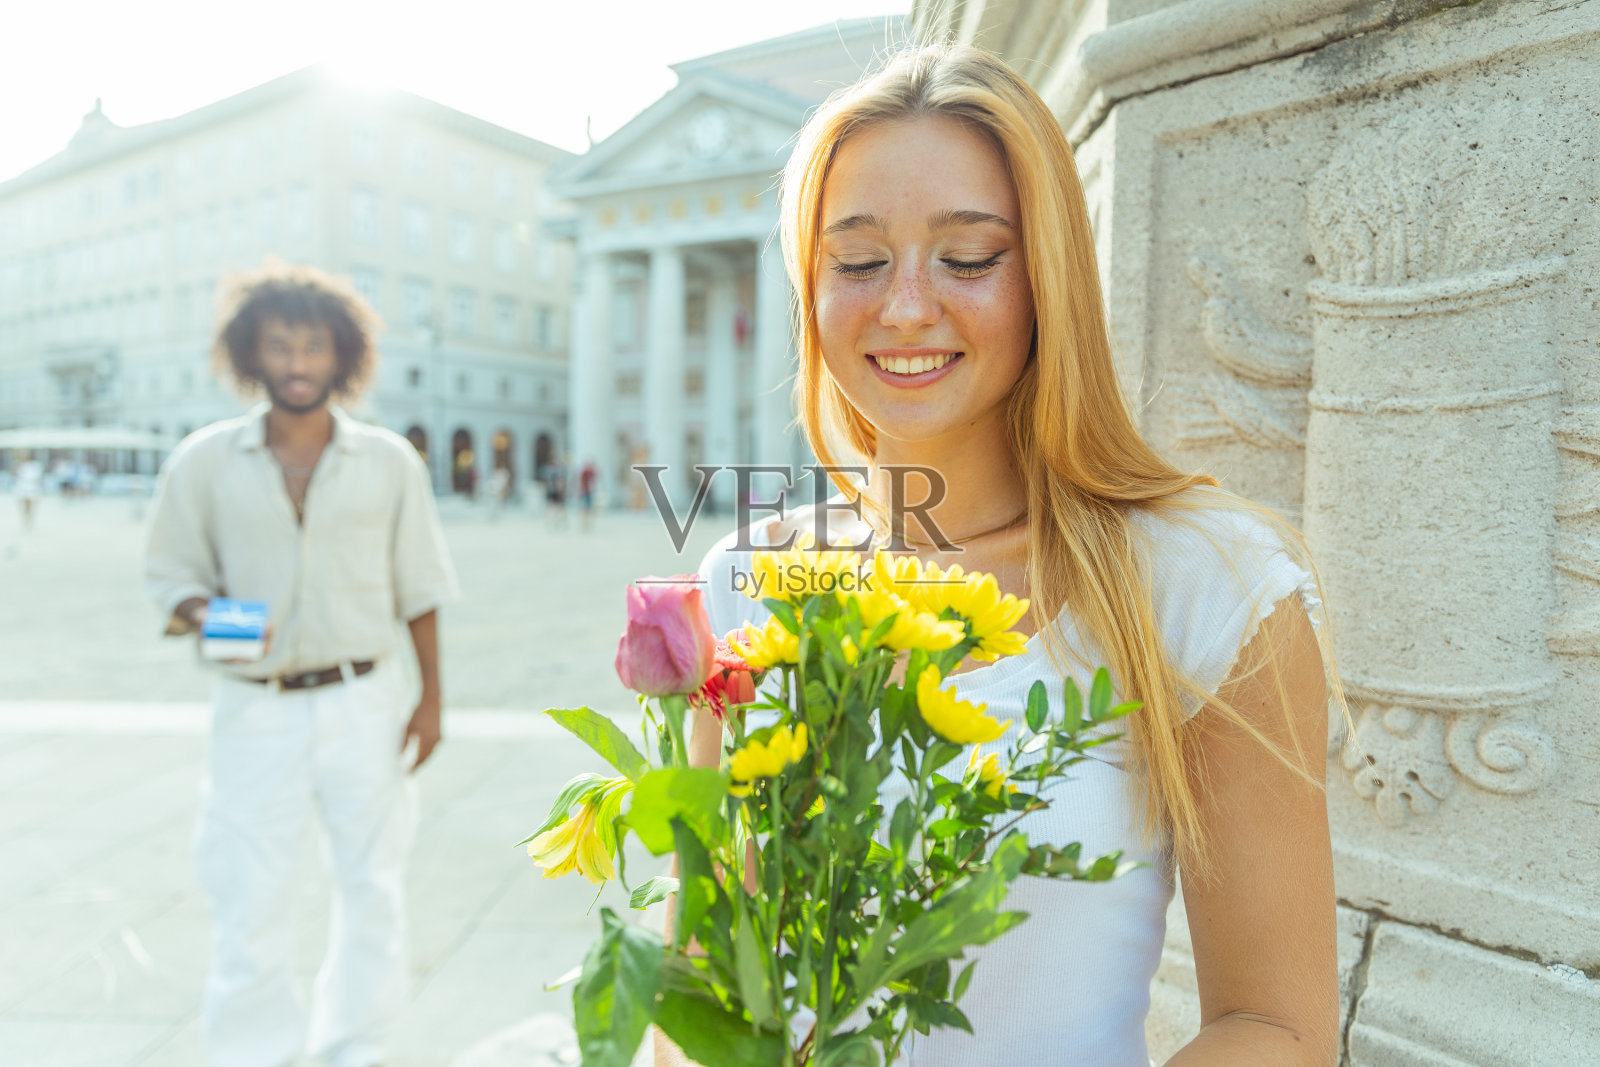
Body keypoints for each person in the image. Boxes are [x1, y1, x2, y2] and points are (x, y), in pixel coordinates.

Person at [676, 45, 1341, 1067]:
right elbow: (705, 962)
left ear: (1048, 277)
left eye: (968, 255)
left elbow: (1279, 1024)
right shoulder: (742, 578)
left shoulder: (1206, 580)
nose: (903, 305)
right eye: (855, 260)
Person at [145, 262, 460, 1067]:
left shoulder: (390, 461)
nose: (296, 362)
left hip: (365, 699)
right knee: (247, 895)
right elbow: (170, 573)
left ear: (340, 355)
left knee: (373, 889)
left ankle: (359, 1051)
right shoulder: (204, 460)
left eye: (312, 346)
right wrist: (205, 614)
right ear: (251, 353)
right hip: (254, 706)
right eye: (279, 345)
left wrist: (431, 701)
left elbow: (420, 585)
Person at [13, 452, 43, 531]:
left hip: (29, 488)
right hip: (25, 488)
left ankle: (28, 520)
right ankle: (27, 520)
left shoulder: (33, 466)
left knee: (28, 506)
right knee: (25, 506)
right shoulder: (25, 466)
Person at [578, 460, 598, 532]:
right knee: (586, 508)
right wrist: (580, 491)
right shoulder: (585, 472)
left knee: (588, 508)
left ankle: (587, 523)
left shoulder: (592, 472)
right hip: (586, 491)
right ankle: (586, 523)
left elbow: (594, 481)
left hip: (590, 492)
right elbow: (581, 482)